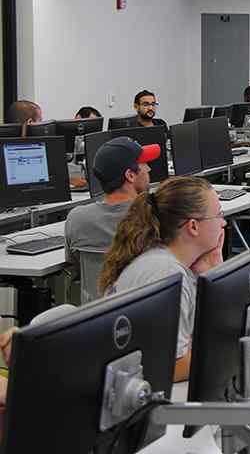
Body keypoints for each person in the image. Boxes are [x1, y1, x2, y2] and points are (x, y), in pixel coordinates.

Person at [98, 176, 226, 382]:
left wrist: (210, 272)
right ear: (193, 226)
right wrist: (228, 352)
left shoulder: (166, 260)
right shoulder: (168, 273)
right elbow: (171, 365)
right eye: (219, 214)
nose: (224, 222)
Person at [64, 136, 160, 280]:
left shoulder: (76, 219)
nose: (149, 168)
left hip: (98, 302)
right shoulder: (155, 217)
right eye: (144, 164)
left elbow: (74, 267)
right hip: (147, 302)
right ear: (130, 175)